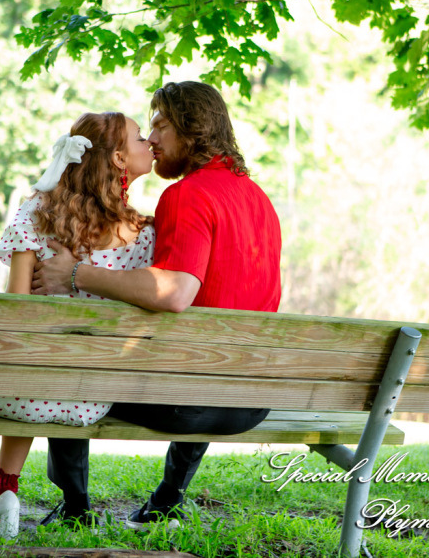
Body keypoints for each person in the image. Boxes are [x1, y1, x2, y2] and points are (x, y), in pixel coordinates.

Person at [31, 81, 282, 530]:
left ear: (192, 130)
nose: (152, 139)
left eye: (161, 126)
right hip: (252, 398)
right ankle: (166, 501)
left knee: (68, 368)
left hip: (190, 400)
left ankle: (75, 507)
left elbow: (175, 291)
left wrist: (74, 274)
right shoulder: (259, 200)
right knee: (205, 357)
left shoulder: (187, 195)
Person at [0, 111, 156, 542]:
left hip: (20, 384)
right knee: (40, 376)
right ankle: (3, 487)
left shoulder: (39, 213)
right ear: (120, 159)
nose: (150, 143)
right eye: (142, 138)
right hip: (86, 399)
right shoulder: (144, 234)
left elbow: (17, 314)